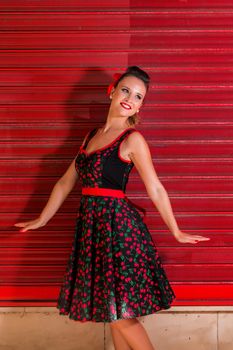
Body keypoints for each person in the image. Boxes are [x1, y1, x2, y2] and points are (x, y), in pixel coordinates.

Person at [14, 66, 210, 350]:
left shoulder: (132, 139)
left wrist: (176, 231)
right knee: (114, 313)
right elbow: (65, 182)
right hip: (93, 230)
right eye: (126, 90)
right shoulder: (90, 136)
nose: (130, 98)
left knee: (120, 313)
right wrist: (42, 219)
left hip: (119, 232)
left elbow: (155, 187)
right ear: (112, 92)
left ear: (141, 105)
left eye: (139, 96)